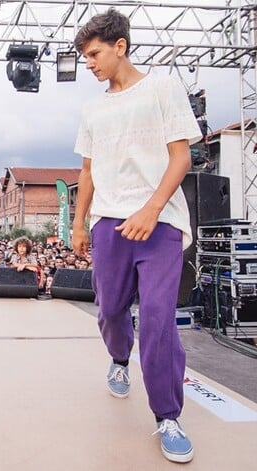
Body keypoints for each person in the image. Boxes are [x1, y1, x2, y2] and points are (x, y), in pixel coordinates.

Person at [72, 8, 201, 464]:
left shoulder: (163, 89)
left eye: (94, 54)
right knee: (109, 311)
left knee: (159, 320)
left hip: (160, 223)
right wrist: (78, 223)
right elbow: (86, 172)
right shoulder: (92, 108)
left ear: (119, 46)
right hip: (109, 223)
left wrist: (151, 209)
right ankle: (119, 359)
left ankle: (167, 415)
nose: (89, 64)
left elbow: (180, 158)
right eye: (85, 56)